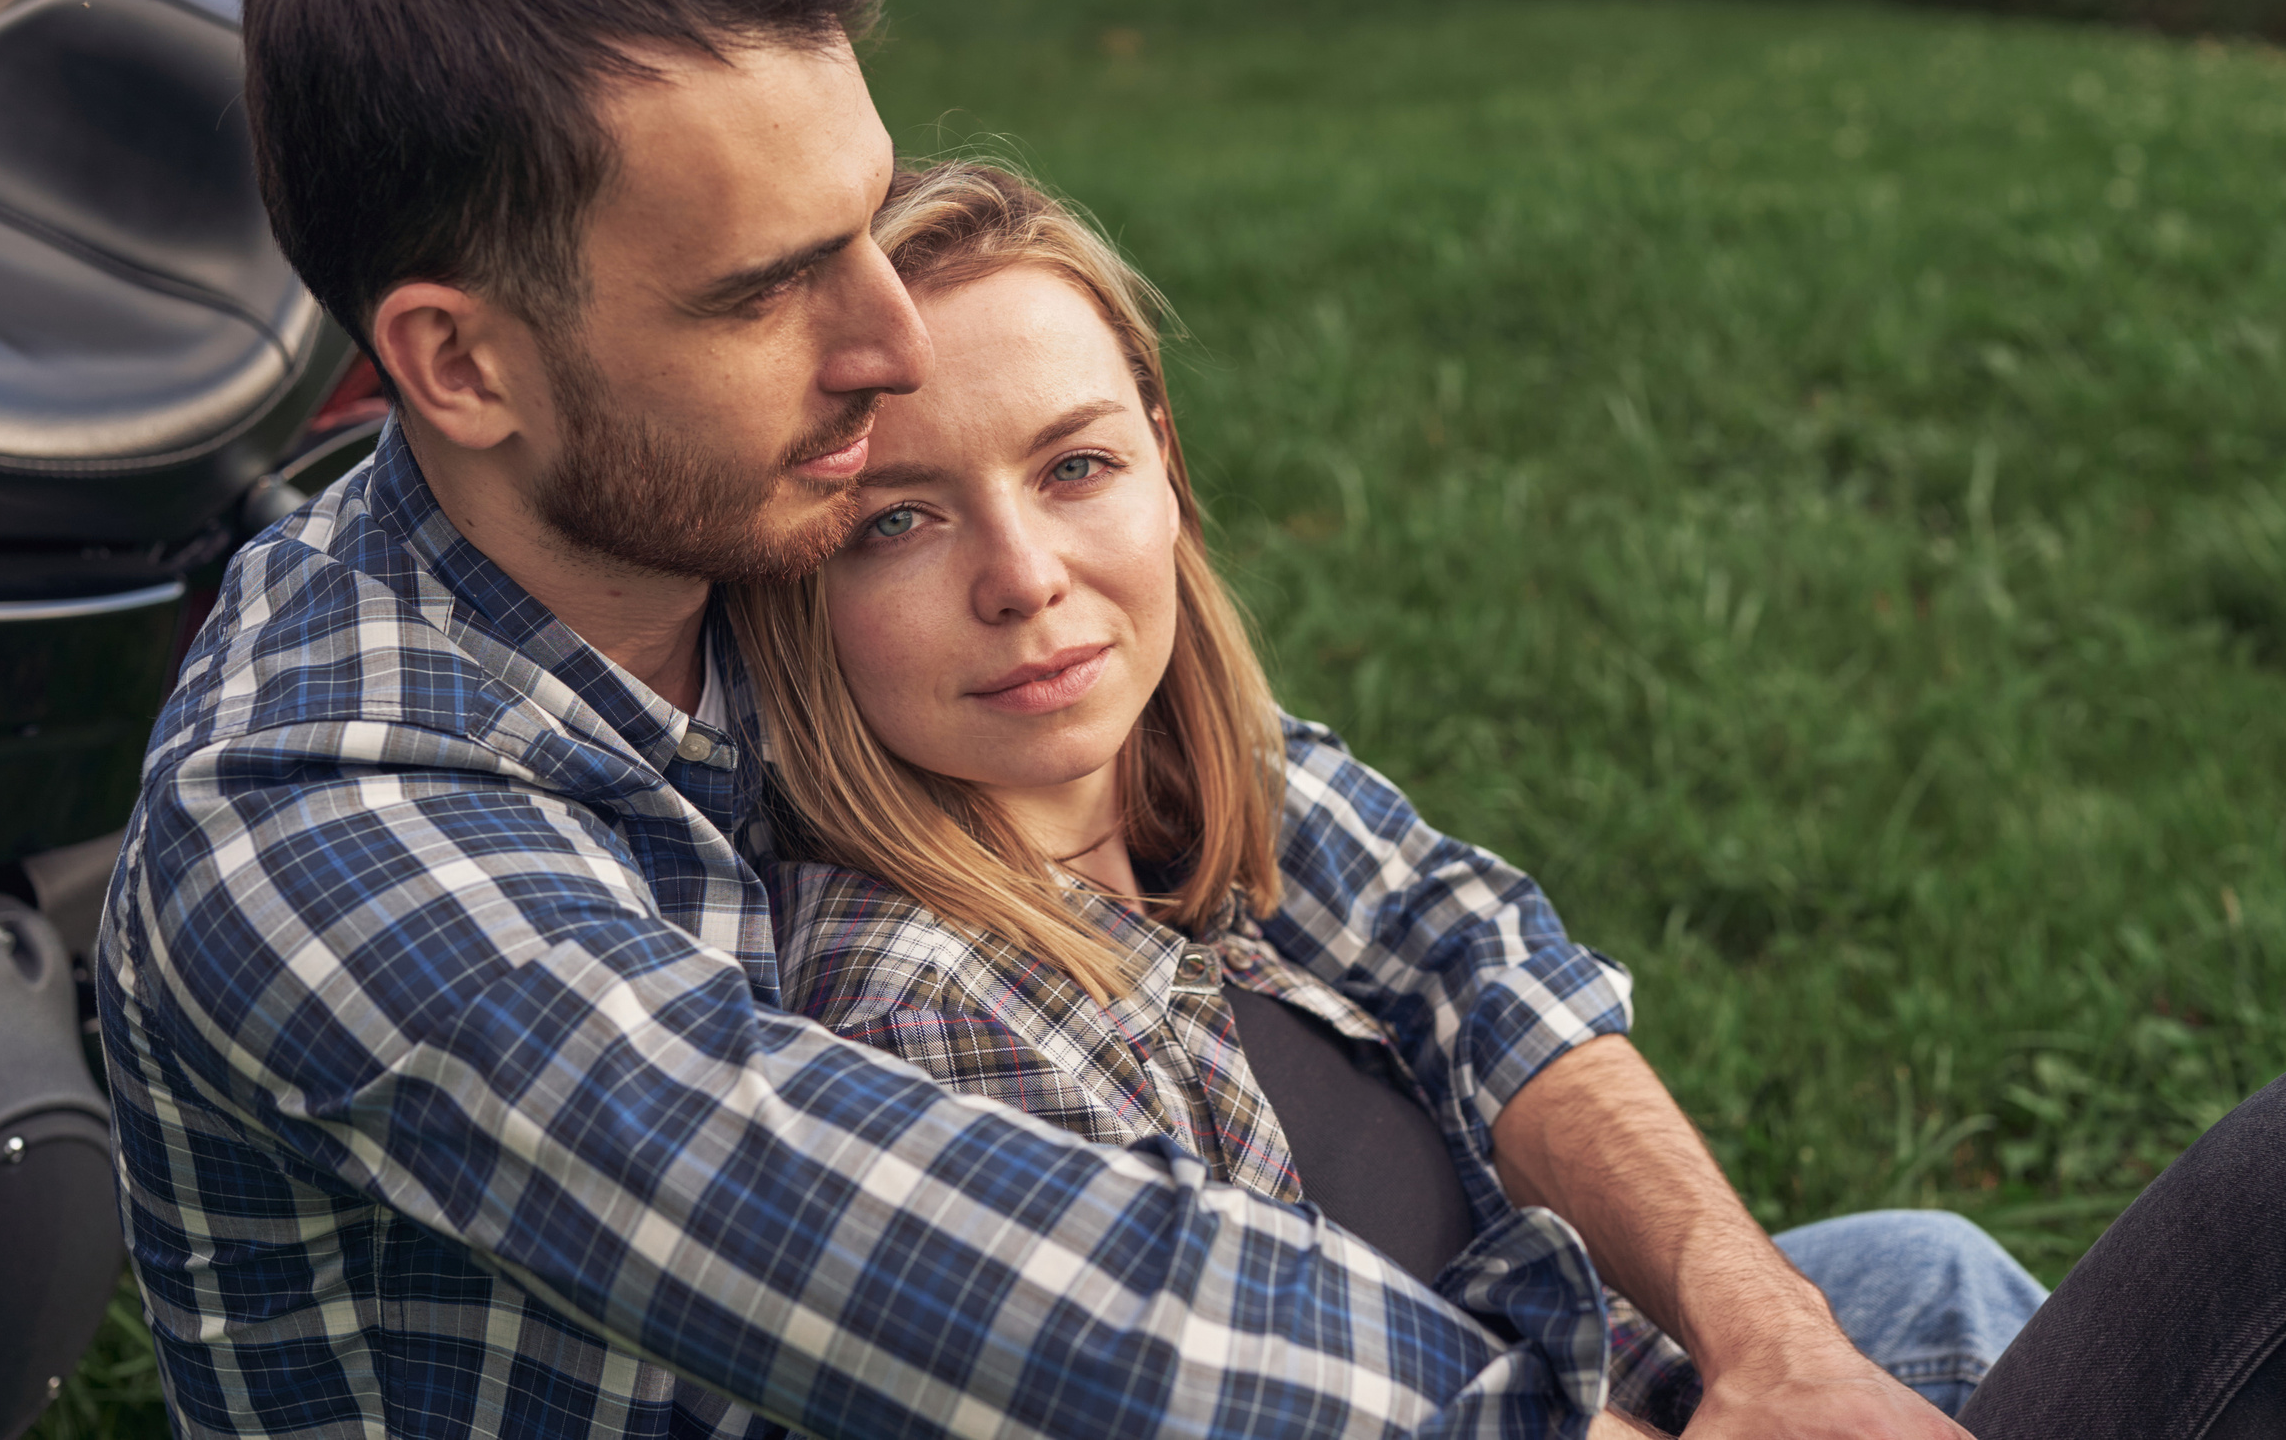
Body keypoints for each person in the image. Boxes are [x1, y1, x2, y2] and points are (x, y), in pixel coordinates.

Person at [101, 0, 2286, 1440]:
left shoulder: (705, 502)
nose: (882, 342)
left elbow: (1387, 884)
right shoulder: (331, 842)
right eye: (767, 284)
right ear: (456, 362)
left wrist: (1755, 1331)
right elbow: (1054, 1319)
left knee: (1897, 1282)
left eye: (874, 221)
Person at [730, 158, 2046, 1432]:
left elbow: (1484, 974)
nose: (1023, 578)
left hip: (1587, 1365)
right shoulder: (919, 1013)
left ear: (1166, 467)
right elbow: (1264, 1391)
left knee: (1927, 1274)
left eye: (1074, 467)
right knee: (2261, 1217)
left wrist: (1776, 1341)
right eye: (897, 521)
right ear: (797, 574)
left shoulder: (1203, 763)